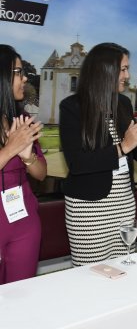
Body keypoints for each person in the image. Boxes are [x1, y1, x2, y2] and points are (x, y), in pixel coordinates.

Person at [59, 43, 137, 266]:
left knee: (125, 269)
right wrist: (123, 147)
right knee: (92, 278)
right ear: (105, 70)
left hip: (124, 204)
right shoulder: (72, 107)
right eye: (123, 69)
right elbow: (77, 163)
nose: (127, 75)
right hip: (90, 210)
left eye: (127, 69)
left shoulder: (123, 103)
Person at [0, 45, 47, 284]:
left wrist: (28, 156)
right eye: (18, 72)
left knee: (21, 297)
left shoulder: (24, 120)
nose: (25, 77)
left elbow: (41, 174)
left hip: (24, 218)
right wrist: (10, 149)